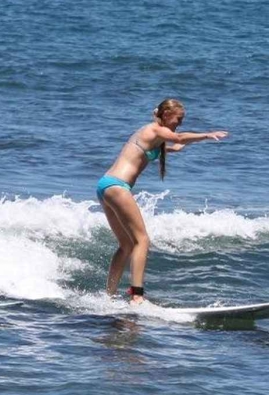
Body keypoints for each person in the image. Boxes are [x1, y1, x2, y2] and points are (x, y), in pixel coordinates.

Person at [97, 98, 227, 302]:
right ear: (166, 115)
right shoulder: (155, 129)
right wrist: (207, 135)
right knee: (142, 240)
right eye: (179, 119)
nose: (180, 123)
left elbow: (173, 146)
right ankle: (137, 296)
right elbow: (179, 137)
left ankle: (109, 295)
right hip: (117, 187)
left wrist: (179, 147)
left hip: (106, 185)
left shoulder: (153, 135)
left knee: (126, 245)